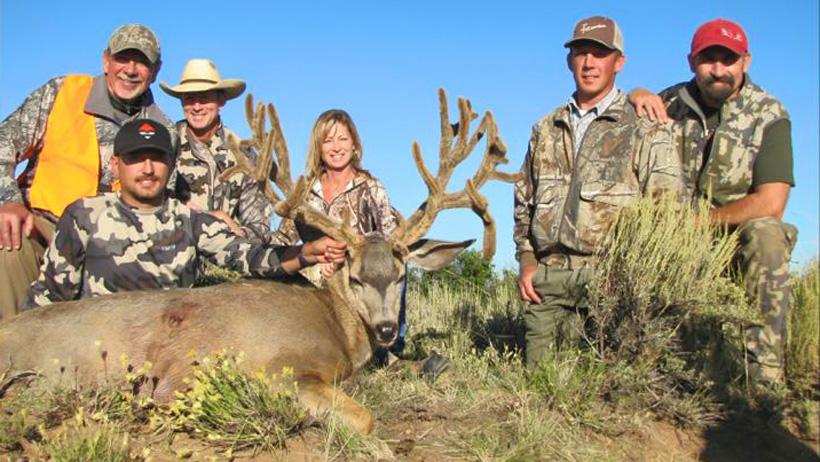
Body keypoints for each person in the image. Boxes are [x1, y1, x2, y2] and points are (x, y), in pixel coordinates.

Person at [628, 18, 797, 385]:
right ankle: (645, 363)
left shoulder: (769, 114)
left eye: (728, 59)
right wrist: (634, 94)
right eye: (708, 59)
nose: (718, 69)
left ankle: (762, 380)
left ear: (745, 62)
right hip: (669, 244)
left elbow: (772, 202)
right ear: (691, 61)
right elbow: (621, 128)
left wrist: (695, 225)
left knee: (768, 233)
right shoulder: (668, 103)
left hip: (733, 240)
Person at [23, 119, 346, 308]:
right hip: (98, 350)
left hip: (170, 351)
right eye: (136, 158)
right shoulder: (84, 215)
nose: (148, 169)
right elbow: (50, 298)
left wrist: (305, 252)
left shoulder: (190, 222)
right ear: (115, 164)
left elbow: (251, 257)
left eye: (158, 158)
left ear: (172, 165)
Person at [514, 16, 682, 367]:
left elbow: (667, 211)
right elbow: (524, 202)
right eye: (581, 53)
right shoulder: (545, 128)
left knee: (605, 388)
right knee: (537, 388)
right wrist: (528, 262)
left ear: (618, 61)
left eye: (599, 53)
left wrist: (638, 281)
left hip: (610, 282)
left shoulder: (645, 126)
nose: (589, 63)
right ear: (569, 60)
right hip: (549, 278)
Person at [0, 24, 177, 318]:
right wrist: (8, 201)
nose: (130, 70)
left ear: (156, 71)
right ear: (106, 61)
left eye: (142, 61)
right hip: (45, 227)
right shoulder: (62, 92)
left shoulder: (163, 130)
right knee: (7, 248)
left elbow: (165, 202)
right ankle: (7, 354)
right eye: (123, 58)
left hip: (117, 245)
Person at [160, 59, 275, 242]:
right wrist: (203, 217)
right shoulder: (163, 146)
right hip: (173, 253)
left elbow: (260, 228)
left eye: (205, 97)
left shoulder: (244, 154)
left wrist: (232, 230)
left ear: (221, 100)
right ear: (181, 102)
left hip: (228, 259)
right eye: (190, 98)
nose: (197, 107)